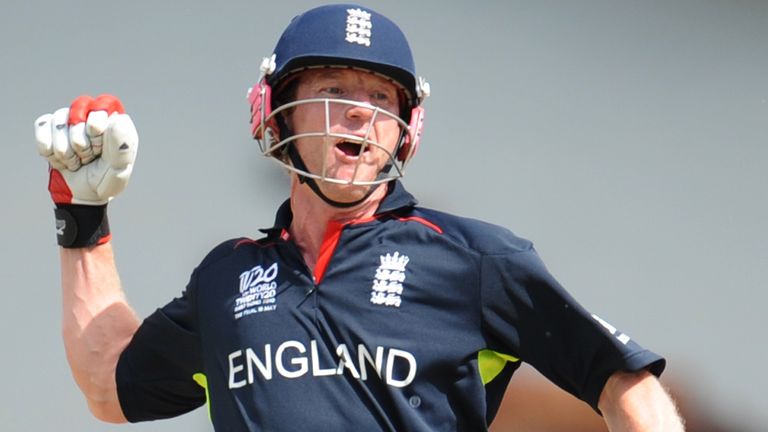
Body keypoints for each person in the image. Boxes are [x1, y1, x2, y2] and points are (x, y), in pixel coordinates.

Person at [35, 4, 685, 431]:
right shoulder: (228, 277)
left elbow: (622, 380)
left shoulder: (474, 262)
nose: (361, 114)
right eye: (333, 91)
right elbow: (108, 383)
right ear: (274, 112)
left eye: (379, 97)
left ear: (408, 128)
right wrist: (84, 217)